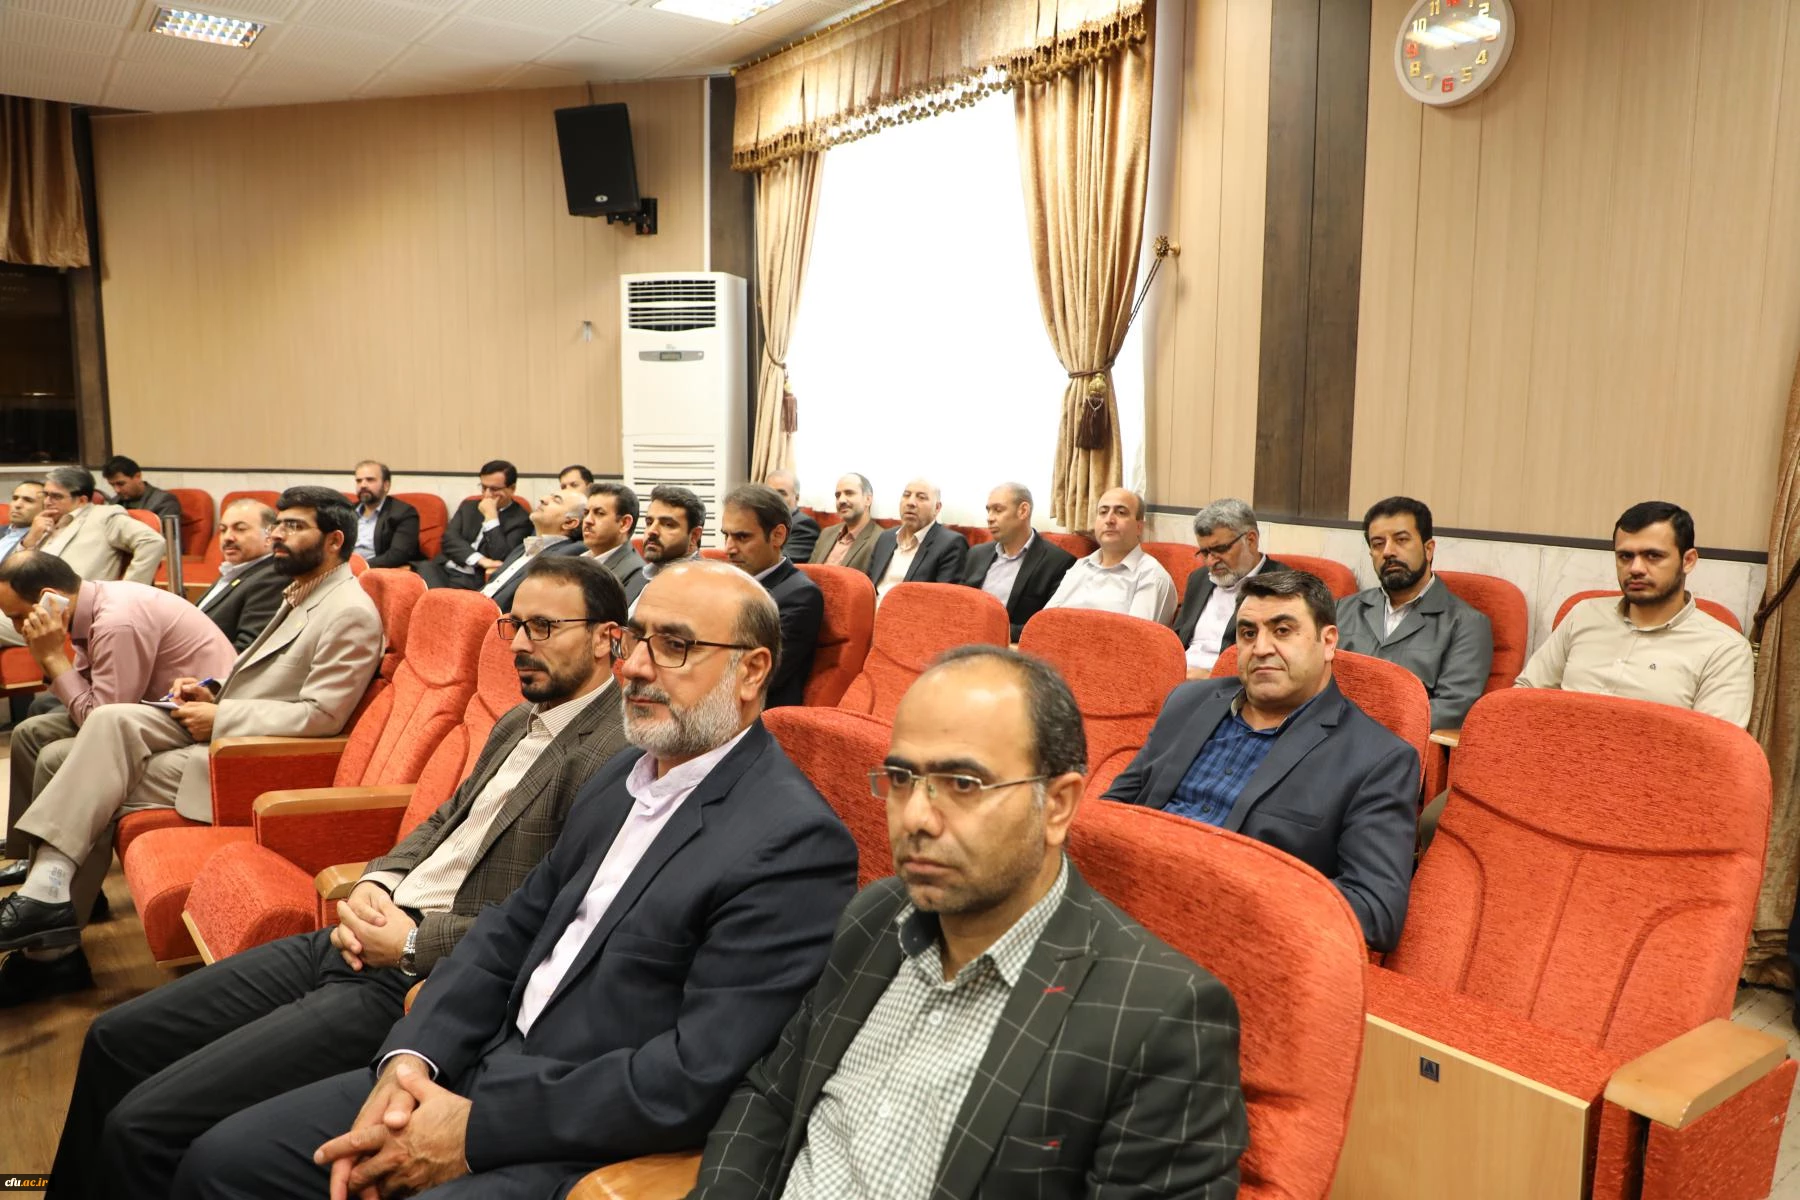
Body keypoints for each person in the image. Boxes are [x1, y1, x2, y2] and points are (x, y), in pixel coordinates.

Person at [172, 562, 859, 1200]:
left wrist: (476, 1131)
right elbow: (510, 929)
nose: (635, 667)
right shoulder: (623, 778)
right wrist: (414, 1058)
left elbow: (692, 1076)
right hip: (474, 1059)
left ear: (752, 670)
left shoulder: (791, 843)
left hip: (571, 1133)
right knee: (222, 1162)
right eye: (637, 639)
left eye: (674, 646)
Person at [46, 556, 632, 1195]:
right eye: (513, 625)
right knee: (112, 1037)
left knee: (142, 1126)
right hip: (357, 932)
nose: (518, 644)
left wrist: (411, 942)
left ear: (608, 639)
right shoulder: (521, 717)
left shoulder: (616, 756)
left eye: (543, 627)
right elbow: (445, 819)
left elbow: (557, 924)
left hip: (413, 978)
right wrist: (376, 882)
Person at [690, 646, 1248, 1199]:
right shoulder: (877, 915)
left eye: (963, 784)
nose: (916, 818)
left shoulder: (1161, 1018)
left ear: (1057, 806)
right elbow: (772, 1095)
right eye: (901, 778)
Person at [0, 487, 383, 954]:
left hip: (252, 758)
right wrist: (212, 690)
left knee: (75, 765)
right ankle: (49, 899)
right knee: (109, 722)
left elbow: (322, 715)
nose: (278, 535)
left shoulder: (349, 612)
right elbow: (270, 680)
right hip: (232, 723)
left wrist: (222, 715)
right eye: (278, 524)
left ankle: (50, 929)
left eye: (294, 526)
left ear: (335, 541)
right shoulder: (306, 592)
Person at [1104, 570, 1418, 951]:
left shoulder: (1378, 759)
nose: (1261, 648)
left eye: (1282, 631)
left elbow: (1375, 910)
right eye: (1248, 633)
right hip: (1119, 900)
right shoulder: (1188, 701)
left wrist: (1227, 890)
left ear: (1328, 642)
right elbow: (1111, 810)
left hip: (1228, 937)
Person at [0, 553, 238, 957]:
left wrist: (52, 657)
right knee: (29, 733)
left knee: (57, 755)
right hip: (147, 714)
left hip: (194, 722)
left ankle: (59, 906)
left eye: (20, 616)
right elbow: (97, 700)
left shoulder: (117, 620)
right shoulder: (91, 608)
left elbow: (101, 719)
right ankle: (35, 865)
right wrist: (54, 657)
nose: (21, 629)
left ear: (48, 598)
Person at [1515, 500, 1753, 727]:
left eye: (1653, 556)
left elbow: (1714, 747)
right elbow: (1525, 695)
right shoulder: (1583, 614)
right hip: (1560, 751)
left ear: (1688, 561)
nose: (1636, 568)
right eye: (1625, 556)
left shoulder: (1725, 649)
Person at [1335, 496, 1493, 730]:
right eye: (1378, 544)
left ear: (1428, 549)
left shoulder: (1466, 624)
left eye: (1401, 540)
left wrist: (1370, 729)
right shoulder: (1342, 609)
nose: (1388, 552)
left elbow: (1453, 707)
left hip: (1398, 743)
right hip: (1327, 732)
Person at [721, 484, 821, 709]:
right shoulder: (723, 582)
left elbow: (758, 675)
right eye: (726, 535)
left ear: (777, 536)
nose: (728, 548)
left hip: (754, 712)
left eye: (742, 537)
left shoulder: (801, 596)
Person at [1172, 498, 1288, 677]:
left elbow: (1275, 659)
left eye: (1220, 549)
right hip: (1180, 674)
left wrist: (1211, 678)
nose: (1211, 561)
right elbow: (1178, 638)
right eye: (1205, 552)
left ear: (1251, 540)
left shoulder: (1282, 585)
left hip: (1230, 683)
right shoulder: (1199, 579)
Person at [958, 483, 1075, 641]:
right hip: (966, 639)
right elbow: (961, 605)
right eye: (988, 510)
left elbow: (1048, 626)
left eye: (998, 510)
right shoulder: (976, 554)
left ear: (1023, 511)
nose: (990, 518)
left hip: (1011, 647)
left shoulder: (1058, 562)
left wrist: (991, 632)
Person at [1043, 488, 1176, 626]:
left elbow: (1135, 637)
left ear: (1139, 527)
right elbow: (1045, 621)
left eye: (1121, 512)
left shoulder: (1151, 576)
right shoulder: (1080, 566)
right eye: (1103, 512)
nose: (1109, 520)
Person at [39, 466, 166, 585]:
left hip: (78, 596)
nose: (47, 502)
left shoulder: (104, 516)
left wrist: (129, 589)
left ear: (82, 500)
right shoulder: (44, 520)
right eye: (46, 495)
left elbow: (152, 542)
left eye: (56, 496)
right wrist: (31, 539)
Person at [418, 461, 531, 590]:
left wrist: (491, 518)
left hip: (475, 578)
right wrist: (479, 560)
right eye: (484, 487)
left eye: (494, 489)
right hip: (445, 567)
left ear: (512, 488)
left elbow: (502, 557)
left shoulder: (521, 520)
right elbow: (449, 539)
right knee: (424, 569)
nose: (487, 495)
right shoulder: (469, 506)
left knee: (437, 596)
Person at [193, 497, 285, 651]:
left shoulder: (273, 578)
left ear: (270, 536)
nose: (228, 537)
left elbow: (248, 649)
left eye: (240, 529)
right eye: (223, 530)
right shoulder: (234, 571)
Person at [480, 488, 587, 613]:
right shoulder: (523, 547)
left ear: (569, 522)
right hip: (477, 604)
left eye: (556, 500)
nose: (543, 499)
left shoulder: (568, 553)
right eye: (549, 496)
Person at [866, 478, 968, 601]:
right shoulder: (886, 538)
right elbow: (868, 584)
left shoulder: (951, 544)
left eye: (921, 497)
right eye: (906, 495)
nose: (911, 502)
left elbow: (943, 601)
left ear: (937, 508)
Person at [582, 481, 647, 605]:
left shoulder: (636, 574)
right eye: (586, 513)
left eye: (599, 513)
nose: (587, 520)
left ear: (624, 523)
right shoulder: (576, 559)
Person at [637, 483, 705, 602]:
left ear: (694, 535)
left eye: (668, 524)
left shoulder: (701, 588)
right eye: (649, 523)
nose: (651, 531)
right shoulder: (642, 574)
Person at [349, 460, 421, 569]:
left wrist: (360, 566)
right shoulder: (347, 510)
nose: (363, 485)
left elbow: (398, 554)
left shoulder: (404, 512)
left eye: (370, 480)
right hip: (345, 569)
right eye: (359, 481)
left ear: (386, 485)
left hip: (376, 569)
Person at [807, 474, 881, 574]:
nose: (841, 500)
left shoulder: (880, 539)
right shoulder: (826, 533)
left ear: (868, 499)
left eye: (849, 493)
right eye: (838, 496)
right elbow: (809, 572)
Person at [101, 456, 183, 534]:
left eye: (121, 484)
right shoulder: (114, 502)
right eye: (112, 485)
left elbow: (166, 537)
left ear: (138, 476)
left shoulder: (164, 501)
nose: (117, 490)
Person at [764, 469, 819, 563]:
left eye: (781, 493)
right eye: (769, 493)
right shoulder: (759, 521)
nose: (774, 499)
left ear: (797, 498)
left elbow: (780, 563)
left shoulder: (804, 525)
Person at [0, 479, 47, 562]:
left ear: (45, 508)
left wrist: (27, 543)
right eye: (15, 498)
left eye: (28, 500)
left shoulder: (41, 539)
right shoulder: (2, 530)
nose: (17, 505)